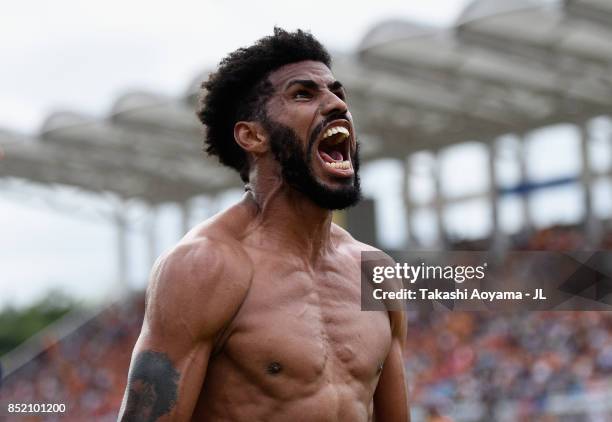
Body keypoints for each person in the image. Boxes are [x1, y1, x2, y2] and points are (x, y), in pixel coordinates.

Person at [118, 28, 409, 421]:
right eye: (303, 94)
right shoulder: (203, 267)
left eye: (338, 93)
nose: (336, 104)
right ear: (252, 135)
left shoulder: (375, 273)